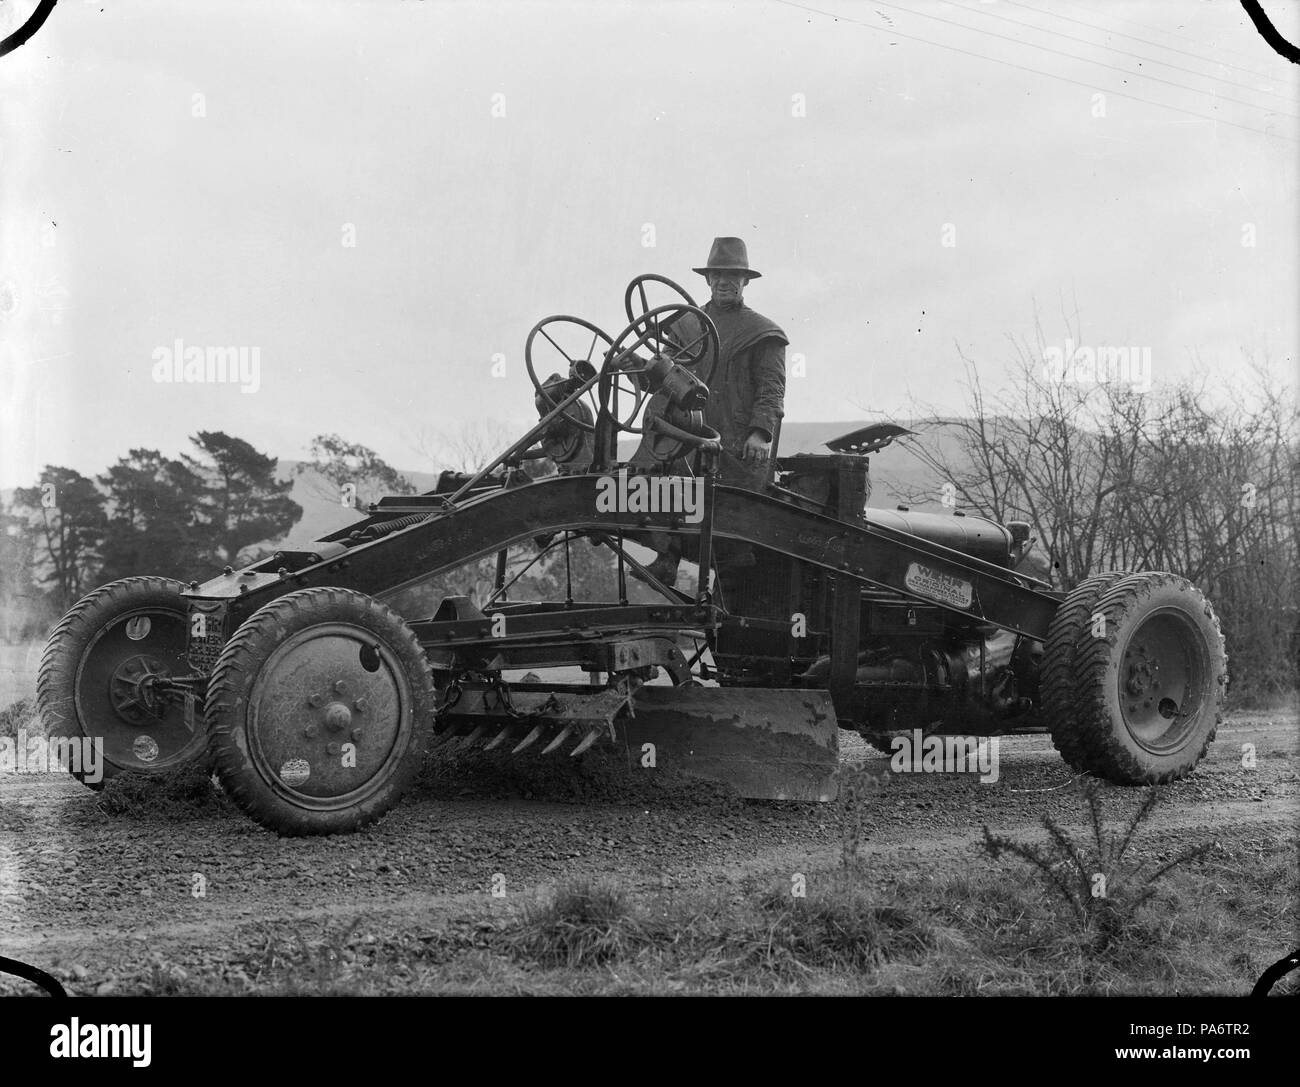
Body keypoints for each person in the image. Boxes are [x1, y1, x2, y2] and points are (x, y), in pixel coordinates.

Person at [641, 236, 788, 586]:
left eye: (733, 275)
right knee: (655, 480)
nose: (724, 281)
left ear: (745, 281)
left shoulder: (763, 332)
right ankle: (667, 557)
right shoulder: (687, 325)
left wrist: (760, 432)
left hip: (735, 441)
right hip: (687, 433)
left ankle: (733, 568)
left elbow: (772, 389)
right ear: (707, 279)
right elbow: (664, 377)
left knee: (728, 516)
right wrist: (638, 368)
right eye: (718, 274)